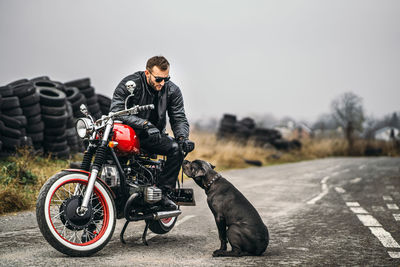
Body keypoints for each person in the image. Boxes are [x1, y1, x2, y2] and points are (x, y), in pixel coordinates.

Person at [110, 56, 194, 210]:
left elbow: (178, 117)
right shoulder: (131, 84)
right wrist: (144, 124)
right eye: (158, 79)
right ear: (147, 73)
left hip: (153, 136)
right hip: (127, 134)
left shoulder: (172, 90)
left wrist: (182, 137)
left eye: (165, 79)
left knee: (177, 148)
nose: (162, 83)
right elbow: (117, 111)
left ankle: (163, 194)